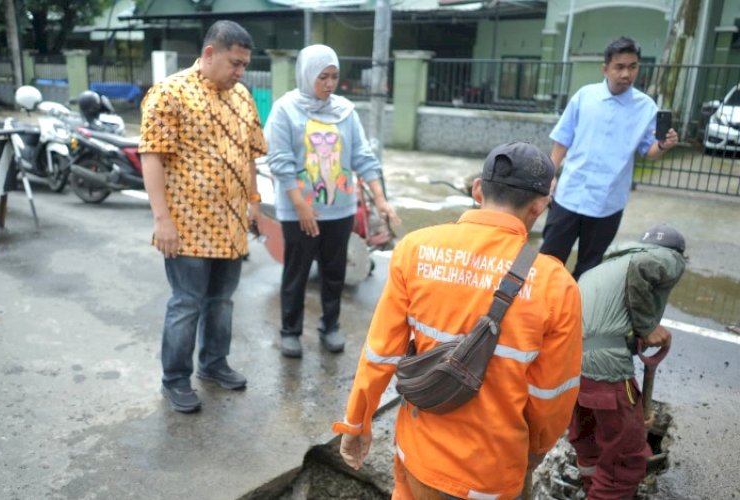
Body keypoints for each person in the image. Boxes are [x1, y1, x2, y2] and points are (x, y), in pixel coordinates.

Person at [333, 142, 583, 499]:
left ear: (478, 189)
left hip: (418, 458)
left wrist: (356, 422)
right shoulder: (556, 285)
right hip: (493, 475)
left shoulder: (415, 250)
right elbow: (552, 395)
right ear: (540, 206)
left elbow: (380, 353)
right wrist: (533, 454)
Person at [139, 20, 267, 413]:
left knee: (222, 301)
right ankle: (175, 379)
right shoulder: (170, 93)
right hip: (187, 225)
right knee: (186, 303)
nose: (241, 72)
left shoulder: (242, 96)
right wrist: (162, 219)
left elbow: (248, 155)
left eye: (245, 64)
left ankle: (213, 364)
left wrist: (254, 202)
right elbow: (152, 156)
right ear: (210, 53)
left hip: (230, 224)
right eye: (235, 63)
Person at [264, 44, 400, 358]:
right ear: (307, 74)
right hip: (299, 211)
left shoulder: (345, 112)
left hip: (339, 210)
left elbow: (364, 157)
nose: (329, 84)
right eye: (322, 77)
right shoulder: (286, 109)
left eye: (334, 77)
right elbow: (280, 161)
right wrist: (300, 205)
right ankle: (290, 330)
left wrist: (381, 200)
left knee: (334, 272)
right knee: (296, 272)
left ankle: (330, 325)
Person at [540, 36, 679, 280]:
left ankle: (578, 312)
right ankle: (539, 310)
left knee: (590, 266)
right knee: (548, 260)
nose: (627, 73)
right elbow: (562, 139)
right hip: (570, 195)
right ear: (605, 69)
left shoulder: (646, 108)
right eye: (620, 67)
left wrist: (663, 145)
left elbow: (649, 151)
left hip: (608, 202)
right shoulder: (585, 96)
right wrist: (549, 177)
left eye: (633, 66)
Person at [568, 223, 686, 499]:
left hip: (571, 366)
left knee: (588, 440)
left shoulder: (600, 268)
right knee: (626, 460)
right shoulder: (665, 257)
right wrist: (646, 327)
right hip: (604, 370)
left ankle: (591, 489)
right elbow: (645, 268)